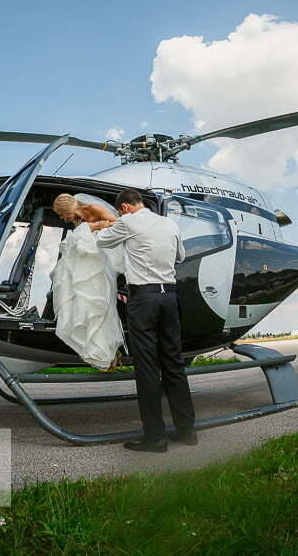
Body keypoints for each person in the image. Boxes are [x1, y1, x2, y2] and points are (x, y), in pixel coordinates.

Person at [95, 190, 197, 452]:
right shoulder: (169, 223)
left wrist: (105, 224)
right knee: (174, 364)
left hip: (144, 299)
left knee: (148, 368)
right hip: (170, 298)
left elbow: (101, 242)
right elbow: (180, 257)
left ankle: (156, 438)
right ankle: (187, 432)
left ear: (126, 207)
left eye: (120, 212)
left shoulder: (127, 222)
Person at [49, 193, 125, 370]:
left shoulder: (93, 209)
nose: (62, 218)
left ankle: (107, 351)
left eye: (62, 214)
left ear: (69, 209)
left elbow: (118, 224)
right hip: (87, 259)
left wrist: (97, 226)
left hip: (101, 257)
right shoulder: (77, 221)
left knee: (99, 304)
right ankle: (93, 345)